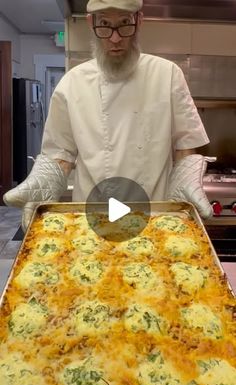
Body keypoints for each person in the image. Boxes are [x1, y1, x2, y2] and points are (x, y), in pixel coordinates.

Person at [3, 0, 214, 231]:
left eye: (125, 24)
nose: (115, 38)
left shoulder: (167, 75)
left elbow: (185, 142)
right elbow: (60, 152)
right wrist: (44, 182)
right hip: (92, 219)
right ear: (91, 23)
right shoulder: (72, 83)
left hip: (153, 218)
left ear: (139, 22)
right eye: (104, 24)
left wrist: (185, 180)